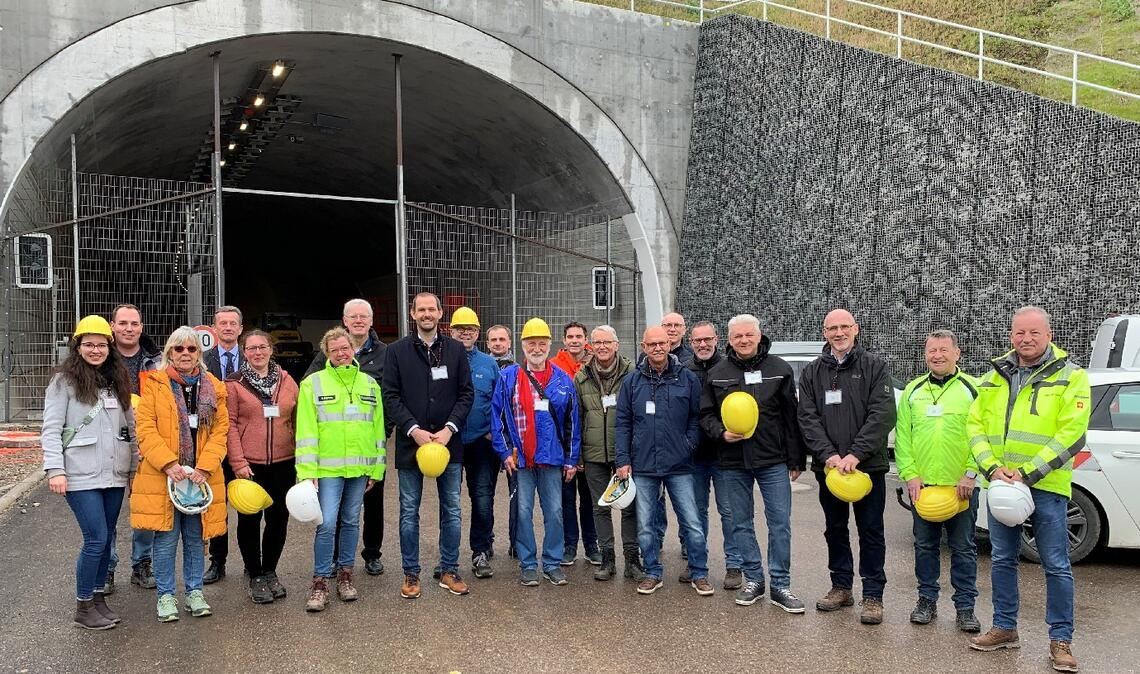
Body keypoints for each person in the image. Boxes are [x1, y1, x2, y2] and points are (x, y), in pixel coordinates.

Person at [966, 307, 1089, 673]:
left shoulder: (1072, 377)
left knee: (1055, 564)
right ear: (1011, 335)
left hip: (1046, 486)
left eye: (1034, 333)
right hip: (1002, 486)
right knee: (1002, 559)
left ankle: (1060, 639)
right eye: (1020, 333)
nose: (1026, 339)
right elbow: (975, 426)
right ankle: (1005, 627)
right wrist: (991, 467)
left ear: (1048, 335)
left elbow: (1073, 434)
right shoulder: (993, 378)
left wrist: (1028, 473)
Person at [700, 315, 807, 611]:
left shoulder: (779, 369)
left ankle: (781, 585)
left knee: (779, 523)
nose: (744, 340)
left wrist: (796, 458)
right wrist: (720, 433)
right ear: (729, 339)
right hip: (732, 461)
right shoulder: (718, 372)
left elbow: (791, 418)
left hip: (773, 459)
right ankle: (754, 580)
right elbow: (706, 415)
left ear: (759, 336)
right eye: (737, 336)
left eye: (748, 335)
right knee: (740, 523)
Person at [798, 309, 896, 625]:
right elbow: (807, 418)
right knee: (835, 528)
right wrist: (829, 455)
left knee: (871, 531)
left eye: (844, 327)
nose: (838, 333)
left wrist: (855, 454)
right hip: (829, 469)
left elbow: (882, 415)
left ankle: (872, 595)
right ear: (824, 333)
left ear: (855, 329)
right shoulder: (813, 372)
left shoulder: (875, 367)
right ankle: (841, 586)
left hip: (867, 468)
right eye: (832, 328)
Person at [41, 315, 136, 630]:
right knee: (95, 538)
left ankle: (97, 599)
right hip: (80, 474)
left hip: (114, 473)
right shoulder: (63, 381)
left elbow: (129, 427)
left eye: (101, 345)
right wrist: (56, 469)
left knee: (107, 538)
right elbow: (52, 429)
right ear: (77, 346)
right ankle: (83, 606)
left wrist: (133, 466)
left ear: (109, 348)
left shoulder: (116, 380)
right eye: (89, 344)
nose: (96, 350)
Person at [132, 326, 229, 622]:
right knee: (165, 538)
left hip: (200, 477)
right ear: (169, 352)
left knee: (196, 537)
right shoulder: (155, 384)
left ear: (199, 353)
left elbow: (221, 431)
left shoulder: (214, 386)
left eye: (191, 349)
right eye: (179, 348)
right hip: (166, 476)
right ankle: (165, 596)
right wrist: (169, 464)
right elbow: (145, 428)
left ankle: (195, 592)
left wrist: (205, 467)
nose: (185, 354)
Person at [383, 292, 474, 599]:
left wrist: (449, 429)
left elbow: (466, 394)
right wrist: (413, 430)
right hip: (412, 446)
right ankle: (411, 573)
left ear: (439, 313)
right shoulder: (396, 352)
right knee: (409, 510)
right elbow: (391, 396)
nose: (426, 314)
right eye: (420, 309)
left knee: (452, 509)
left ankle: (449, 570)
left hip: (449, 444)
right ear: (412, 314)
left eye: (431, 309)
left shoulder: (456, 350)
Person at [895, 330, 982, 632]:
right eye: (932, 350)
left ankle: (965, 607)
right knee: (925, 548)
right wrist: (910, 474)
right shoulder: (912, 391)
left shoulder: (974, 389)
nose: (937, 356)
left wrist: (971, 472)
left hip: (961, 488)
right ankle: (926, 600)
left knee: (963, 548)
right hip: (925, 489)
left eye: (944, 350)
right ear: (925, 354)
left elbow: (983, 435)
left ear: (957, 353)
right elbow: (903, 437)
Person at [295, 328, 386, 612]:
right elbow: (306, 430)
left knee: (350, 522)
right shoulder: (313, 384)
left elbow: (378, 430)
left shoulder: (370, 385)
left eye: (345, 348)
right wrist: (307, 471)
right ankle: (320, 580)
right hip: (326, 470)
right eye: (334, 350)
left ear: (352, 349)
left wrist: (377, 468)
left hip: (359, 468)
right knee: (327, 523)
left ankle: (346, 576)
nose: (341, 353)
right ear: (327, 353)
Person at [616, 325, 711, 597]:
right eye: (651, 344)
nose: (657, 348)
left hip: (680, 464)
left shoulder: (687, 378)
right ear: (644, 348)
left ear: (669, 345)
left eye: (662, 343)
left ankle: (699, 572)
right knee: (646, 525)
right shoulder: (632, 382)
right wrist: (623, 458)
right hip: (643, 465)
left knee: (691, 522)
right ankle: (652, 572)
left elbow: (696, 417)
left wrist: (689, 444)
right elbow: (622, 423)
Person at [491, 317, 581, 587]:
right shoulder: (508, 378)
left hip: (552, 459)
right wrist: (504, 452)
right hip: (520, 459)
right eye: (532, 343)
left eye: (542, 343)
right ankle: (528, 563)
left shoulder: (563, 380)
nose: (537, 348)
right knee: (523, 511)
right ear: (523, 346)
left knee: (554, 511)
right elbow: (496, 418)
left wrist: (571, 459)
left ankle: (552, 563)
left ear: (549, 345)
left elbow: (572, 422)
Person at [226, 330, 299, 604]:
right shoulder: (234, 384)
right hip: (250, 466)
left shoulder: (288, 380)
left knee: (278, 519)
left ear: (271, 349)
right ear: (244, 352)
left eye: (262, 347)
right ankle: (254, 574)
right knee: (249, 520)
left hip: (284, 463)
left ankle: (270, 570)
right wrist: (238, 462)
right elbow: (229, 425)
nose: (257, 352)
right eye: (251, 348)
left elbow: (297, 420)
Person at [574, 325, 644, 581]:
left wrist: (634, 453)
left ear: (617, 345)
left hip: (624, 453)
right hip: (593, 455)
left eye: (607, 342)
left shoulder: (633, 375)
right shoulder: (581, 377)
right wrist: (578, 455)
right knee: (599, 507)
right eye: (597, 342)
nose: (602, 346)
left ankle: (632, 559)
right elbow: (577, 417)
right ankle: (607, 559)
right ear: (590, 346)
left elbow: (638, 418)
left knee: (629, 507)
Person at [106, 303, 161, 593]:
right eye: (123, 323)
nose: (129, 328)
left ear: (141, 327)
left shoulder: (156, 360)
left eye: (134, 323)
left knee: (144, 509)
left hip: (146, 444)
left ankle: (142, 564)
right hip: (108, 444)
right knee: (108, 511)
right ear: (112, 325)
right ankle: (107, 567)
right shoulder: (99, 358)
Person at [685, 321, 742, 590]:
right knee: (695, 513)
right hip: (694, 456)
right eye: (698, 341)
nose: (703, 344)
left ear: (717, 339)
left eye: (707, 339)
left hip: (725, 453)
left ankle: (734, 565)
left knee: (730, 512)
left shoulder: (729, 369)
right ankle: (697, 563)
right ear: (690, 343)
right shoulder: (684, 371)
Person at [449, 307, 501, 579]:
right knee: (451, 502)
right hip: (450, 441)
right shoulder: (441, 360)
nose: (465, 332)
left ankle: (481, 550)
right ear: (451, 330)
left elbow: (498, 401)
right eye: (460, 328)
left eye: (470, 328)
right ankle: (449, 558)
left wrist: (495, 432)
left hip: (481, 441)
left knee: (482, 498)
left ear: (478, 332)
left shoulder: (488, 364)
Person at [202, 304, 244, 584]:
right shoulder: (201, 361)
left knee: (247, 504)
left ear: (241, 328)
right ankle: (218, 561)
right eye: (223, 323)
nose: (228, 327)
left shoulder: (255, 357)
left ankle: (253, 560)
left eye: (233, 323)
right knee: (217, 506)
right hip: (213, 443)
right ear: (214, 329)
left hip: (245, 444)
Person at [551, 322, 599, 566]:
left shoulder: (595, 364)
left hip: (590, 442)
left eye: (579, 336)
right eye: (570, 336)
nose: (574, 341)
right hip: (563, 443)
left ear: (585, 339)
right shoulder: (554, 366)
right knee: (565, 499)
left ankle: (592, 545)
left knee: (589, 498)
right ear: (563, 340)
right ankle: (569, 544)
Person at [486, 323, 518, 559]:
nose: (498, 343)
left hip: (513, 442)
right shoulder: (480, 366)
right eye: (493, 340)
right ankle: (486, 542)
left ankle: (516, 542)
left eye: (502, 340)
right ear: (488, 344)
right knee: (484, 495)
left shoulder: (519, 370)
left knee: (517, 494)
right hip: (485, 440)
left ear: (509, 342)